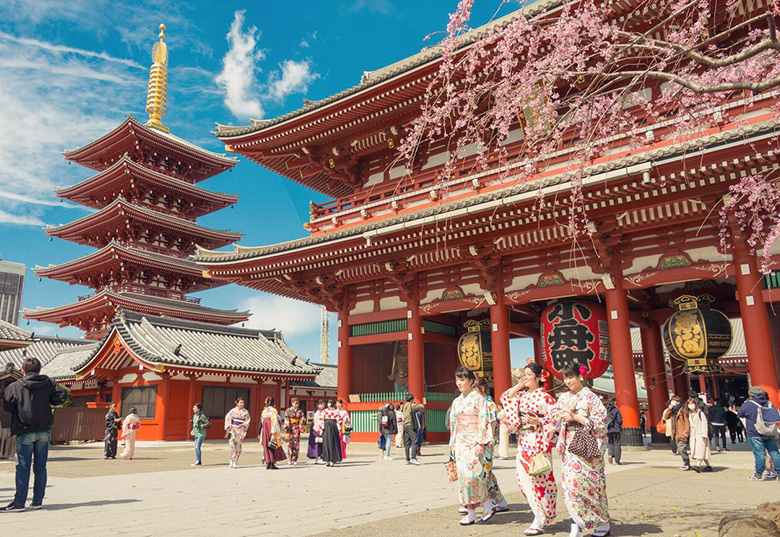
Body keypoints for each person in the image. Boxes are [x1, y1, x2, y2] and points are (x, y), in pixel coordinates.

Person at [550, 364, 611, 537]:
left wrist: (576, 417)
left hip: (587, 447)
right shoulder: (563, 397)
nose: (568, 381)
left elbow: (602, 421)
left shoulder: (591, 397)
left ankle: (602, 524)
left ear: (581, 377)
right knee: (570, 487)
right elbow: (553, 415)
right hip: (570, 447)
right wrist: (557, 416)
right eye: (565, 378)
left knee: (591, 486)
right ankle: (575, 526)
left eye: (571, 377)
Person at [1, 356, 68, 511]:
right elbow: (61, 397)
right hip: (44, 430)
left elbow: (7, 407)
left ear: (23, 370)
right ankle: (37, 501)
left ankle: (19, 503)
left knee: (23, 466)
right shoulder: (48, 383)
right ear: (39, 370)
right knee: (40, 467)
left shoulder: (15, 386)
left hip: (24, 430)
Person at [500, 363, 557, 536]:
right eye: (524, 374)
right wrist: (519, 384)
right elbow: (506, 399)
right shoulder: (522, 396)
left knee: (539, 480)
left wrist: (541, 422)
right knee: (523, 480)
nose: (526, 377)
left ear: (540, 377)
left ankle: (540, 518)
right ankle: (539, 516)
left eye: (529, 374)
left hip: (539, 442)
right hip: (524, 440)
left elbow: (555, 421)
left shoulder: (546, 398)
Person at [449, 367, 493, 526]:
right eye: (457, 380)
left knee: (475, 475)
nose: (459, 383)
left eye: (462, 380)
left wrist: (481, 442)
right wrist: (453, 444)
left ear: (471, 381)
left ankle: (487, 504)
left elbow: (483, 420)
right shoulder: (457, 401)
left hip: (474, 441)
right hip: (460, 442)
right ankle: (471, 512)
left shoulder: (478, 399)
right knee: (463, 478)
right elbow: (454, 424)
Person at [473, 376, 508, 521]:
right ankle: (499, 501)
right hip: (479, 441)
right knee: (487, 472)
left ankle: (486, 502)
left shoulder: (488, 403)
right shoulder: (480, 402)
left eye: (475, 388)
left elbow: (490, 424)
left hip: (485, 442)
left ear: (481, 388)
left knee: (484, 472)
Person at [738, 386, 780, 481]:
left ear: (751, 395)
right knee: (775, 453)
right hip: (769, 431)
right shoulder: (769, 403)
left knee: (759, 454)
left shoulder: (748, 404)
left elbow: (740, 414)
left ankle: (758, 474)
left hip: (754, 432)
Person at [663, 396, 691, 470]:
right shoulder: (673, 410)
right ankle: (686, 463)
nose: (672, 402)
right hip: (675, 432)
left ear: (678, 402)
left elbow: (687, 421)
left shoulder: (683, 410)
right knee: (679, 448)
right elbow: (666, 417)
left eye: (673, 401)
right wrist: (669, 409)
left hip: (682, 432)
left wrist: (687, 431)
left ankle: (687, 463)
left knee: (681, 448)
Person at [687, 398, 712, 472]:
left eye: (692, 404)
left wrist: (704, 433)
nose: (691, 406)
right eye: (689, 404)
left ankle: (698, 466)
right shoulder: (689, 414)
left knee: (700, 450)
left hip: (701, 434)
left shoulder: (700, 413)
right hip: (693, 434)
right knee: (703, 451)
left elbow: (704, 424)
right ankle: (708, 466)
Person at [224, 397, 250, 469]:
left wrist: (243, 425)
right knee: (232, 445)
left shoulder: (246, 412)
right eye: (241, 402)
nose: (242, 404)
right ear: (237, 403)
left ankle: (235, 461)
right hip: (233, 429)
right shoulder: (232, 411)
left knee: (238, 446)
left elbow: (247, 421)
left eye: (243, 403)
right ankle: (231, 460)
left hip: (240, 429)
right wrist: (229, 426)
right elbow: (228, 418)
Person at [261, 397, 286, 470]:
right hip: (271, 427)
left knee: (266, 445)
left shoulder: (264, 410)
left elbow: (262, 420)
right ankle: (272, 463)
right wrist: (274, 432)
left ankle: (268, 462)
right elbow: (274, 421)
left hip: (265, 428)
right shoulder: (274, 410)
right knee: (272, 444)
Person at [401, 394, 425, 465]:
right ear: (412, 399)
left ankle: (407, 459)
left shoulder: (404, 406)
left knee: (407, 443)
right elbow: (422, 406)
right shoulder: (411, 405)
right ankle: (413, 458)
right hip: (411, 425)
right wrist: (416, 404)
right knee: (415, 440)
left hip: (405, 425)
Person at [283, 397, 306, 465]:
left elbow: (302, 418)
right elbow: (286, 418)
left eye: (297, 403)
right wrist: (287, 426)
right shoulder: (288, 410)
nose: (296, 405)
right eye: (295, 403)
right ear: (292, 403)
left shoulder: (300, 411)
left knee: (296, 444)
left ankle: (294, 459)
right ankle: (289, 459)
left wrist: (301, 424)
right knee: (290, 444)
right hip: (290, 428)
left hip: (297, 428)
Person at [321, 400, 343, 466]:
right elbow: (321, 419)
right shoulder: (324, 411)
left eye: (331, 406)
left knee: (333, 443)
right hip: (326, 427)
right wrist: (321, 428)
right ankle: (327, 459)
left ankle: (332, 460)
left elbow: (339, 420)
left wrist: (340, 428)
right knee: (326, 443)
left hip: (333, 427)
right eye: (329, 406)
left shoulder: (336, 411)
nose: (330, 407)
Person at [605, 396, 623, 465]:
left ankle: (610, 454)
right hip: (616, 428)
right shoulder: (616, 410)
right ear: (614, 402)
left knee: (610, 443)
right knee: (617, 444)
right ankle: (617, 460)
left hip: (609, 428)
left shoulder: (606, 409)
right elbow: (619, 420)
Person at [307, 400, 325, 464]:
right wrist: (319, 430)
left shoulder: (324, 412)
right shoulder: (317, 413)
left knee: (321, 443)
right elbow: (317, 422)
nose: (322, 405)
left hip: (322, 427)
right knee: (317, 443)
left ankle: (321, 457)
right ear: (318, 405)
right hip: (316, 429)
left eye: (323, 404)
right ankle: (318, 458)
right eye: (320, 404)